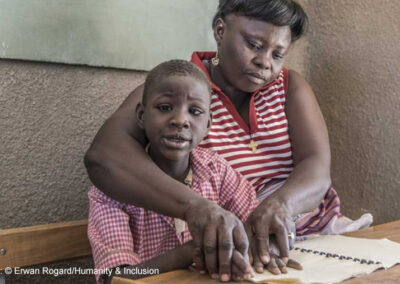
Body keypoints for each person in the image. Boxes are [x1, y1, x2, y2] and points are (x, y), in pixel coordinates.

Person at [84, 0, 372, 281]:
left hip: (312, 238)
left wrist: (281, 204)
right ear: (220, 30)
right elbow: (104, 158)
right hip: (237, 247)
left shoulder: (289, 87)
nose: (264, 62)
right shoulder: (180, 91)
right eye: (254, 45)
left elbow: (317, 168)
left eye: (277, 54)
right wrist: (197, 208)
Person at [88, 60, 290, 283]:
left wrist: (265, 248)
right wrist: (194, 251)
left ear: (208, 125)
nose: (180, 120)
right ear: (141, 116)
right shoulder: (114, 188)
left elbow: (255, 228)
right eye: (165, 108)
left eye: (195, 111)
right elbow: (114, 279)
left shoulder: (218, 172)